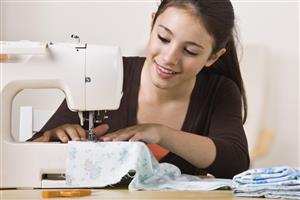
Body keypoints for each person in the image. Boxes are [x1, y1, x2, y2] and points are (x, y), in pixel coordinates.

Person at [29, 0, 249, 179]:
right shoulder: (106, 74)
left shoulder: (219, 91)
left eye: (190, 51)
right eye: (163, 38)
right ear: (152, 23)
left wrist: (161, 133)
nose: (169, 58)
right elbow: (28, 154)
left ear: (213, 57)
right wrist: (54, 139)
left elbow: (235, 162)